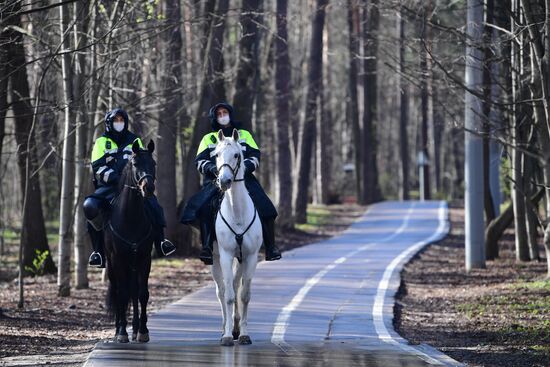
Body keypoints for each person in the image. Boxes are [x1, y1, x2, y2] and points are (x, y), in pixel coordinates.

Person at [181, 102, 281, 265]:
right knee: (204, 207)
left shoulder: (244, 135)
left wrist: (244, 168)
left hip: (244, 179)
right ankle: (207, 246)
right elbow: (199, 161)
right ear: (215, 118)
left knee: (266, 207)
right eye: (219, 114)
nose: (222, 116)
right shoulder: (208, 138)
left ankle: (271, 247)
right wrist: (215, 169)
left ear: (230, 114)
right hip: (216, 180)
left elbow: (255, 155)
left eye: (224, 112)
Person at [83, 108, 176, 268]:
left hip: (133, 186)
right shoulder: (100, 142)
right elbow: (97, 167)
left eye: (122, 120)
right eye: (116, 120)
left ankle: (161, 242)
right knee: (89, 206)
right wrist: (116, 178)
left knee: (154, 205)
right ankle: (98, 252)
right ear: (109, 123)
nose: (119, 123)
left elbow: (142, 161)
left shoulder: (135, 140)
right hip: (109, 187)